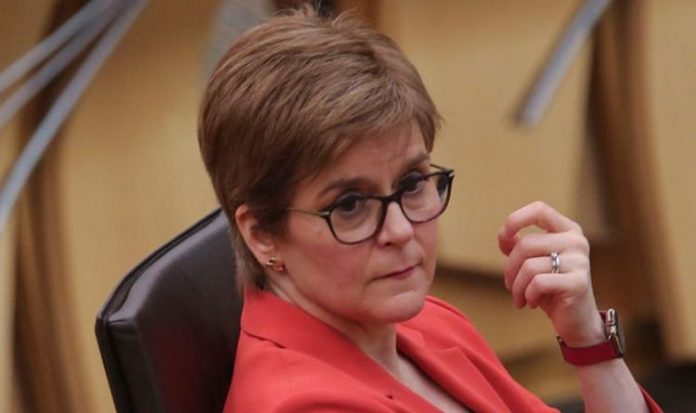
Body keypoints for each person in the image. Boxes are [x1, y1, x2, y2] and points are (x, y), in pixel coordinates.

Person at [197, 5, 662, 413]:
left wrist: (588, 340)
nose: (400, 230)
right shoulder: (306, 405)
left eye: (412, 183)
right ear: (262, 235)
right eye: (350, 205)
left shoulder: (424, 323)